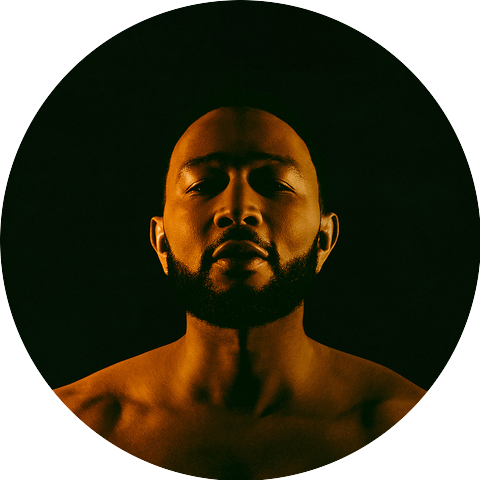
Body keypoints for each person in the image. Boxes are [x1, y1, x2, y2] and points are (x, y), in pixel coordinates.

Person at [0, 106, 479, 480]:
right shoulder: (54, 441)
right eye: (203, 185)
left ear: (325, 240)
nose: (238, 208)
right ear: (161, 242)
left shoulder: (423, 444)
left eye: (275, 184)